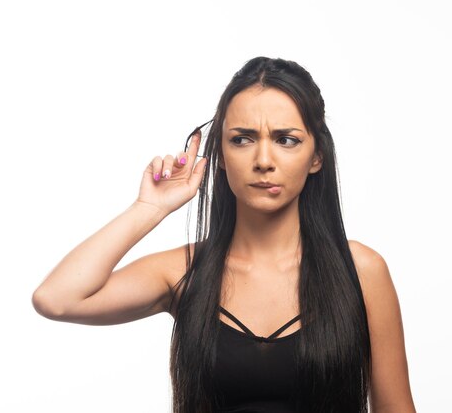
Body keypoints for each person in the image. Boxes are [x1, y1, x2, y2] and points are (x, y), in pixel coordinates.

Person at [32, 56, 416, 413]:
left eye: (286, 140)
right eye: (242, 139)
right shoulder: (184, 272)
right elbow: (57, 299)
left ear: (316, 157)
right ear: (218, 154)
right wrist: (149, 209)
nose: (264, 161)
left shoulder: (361, 271)